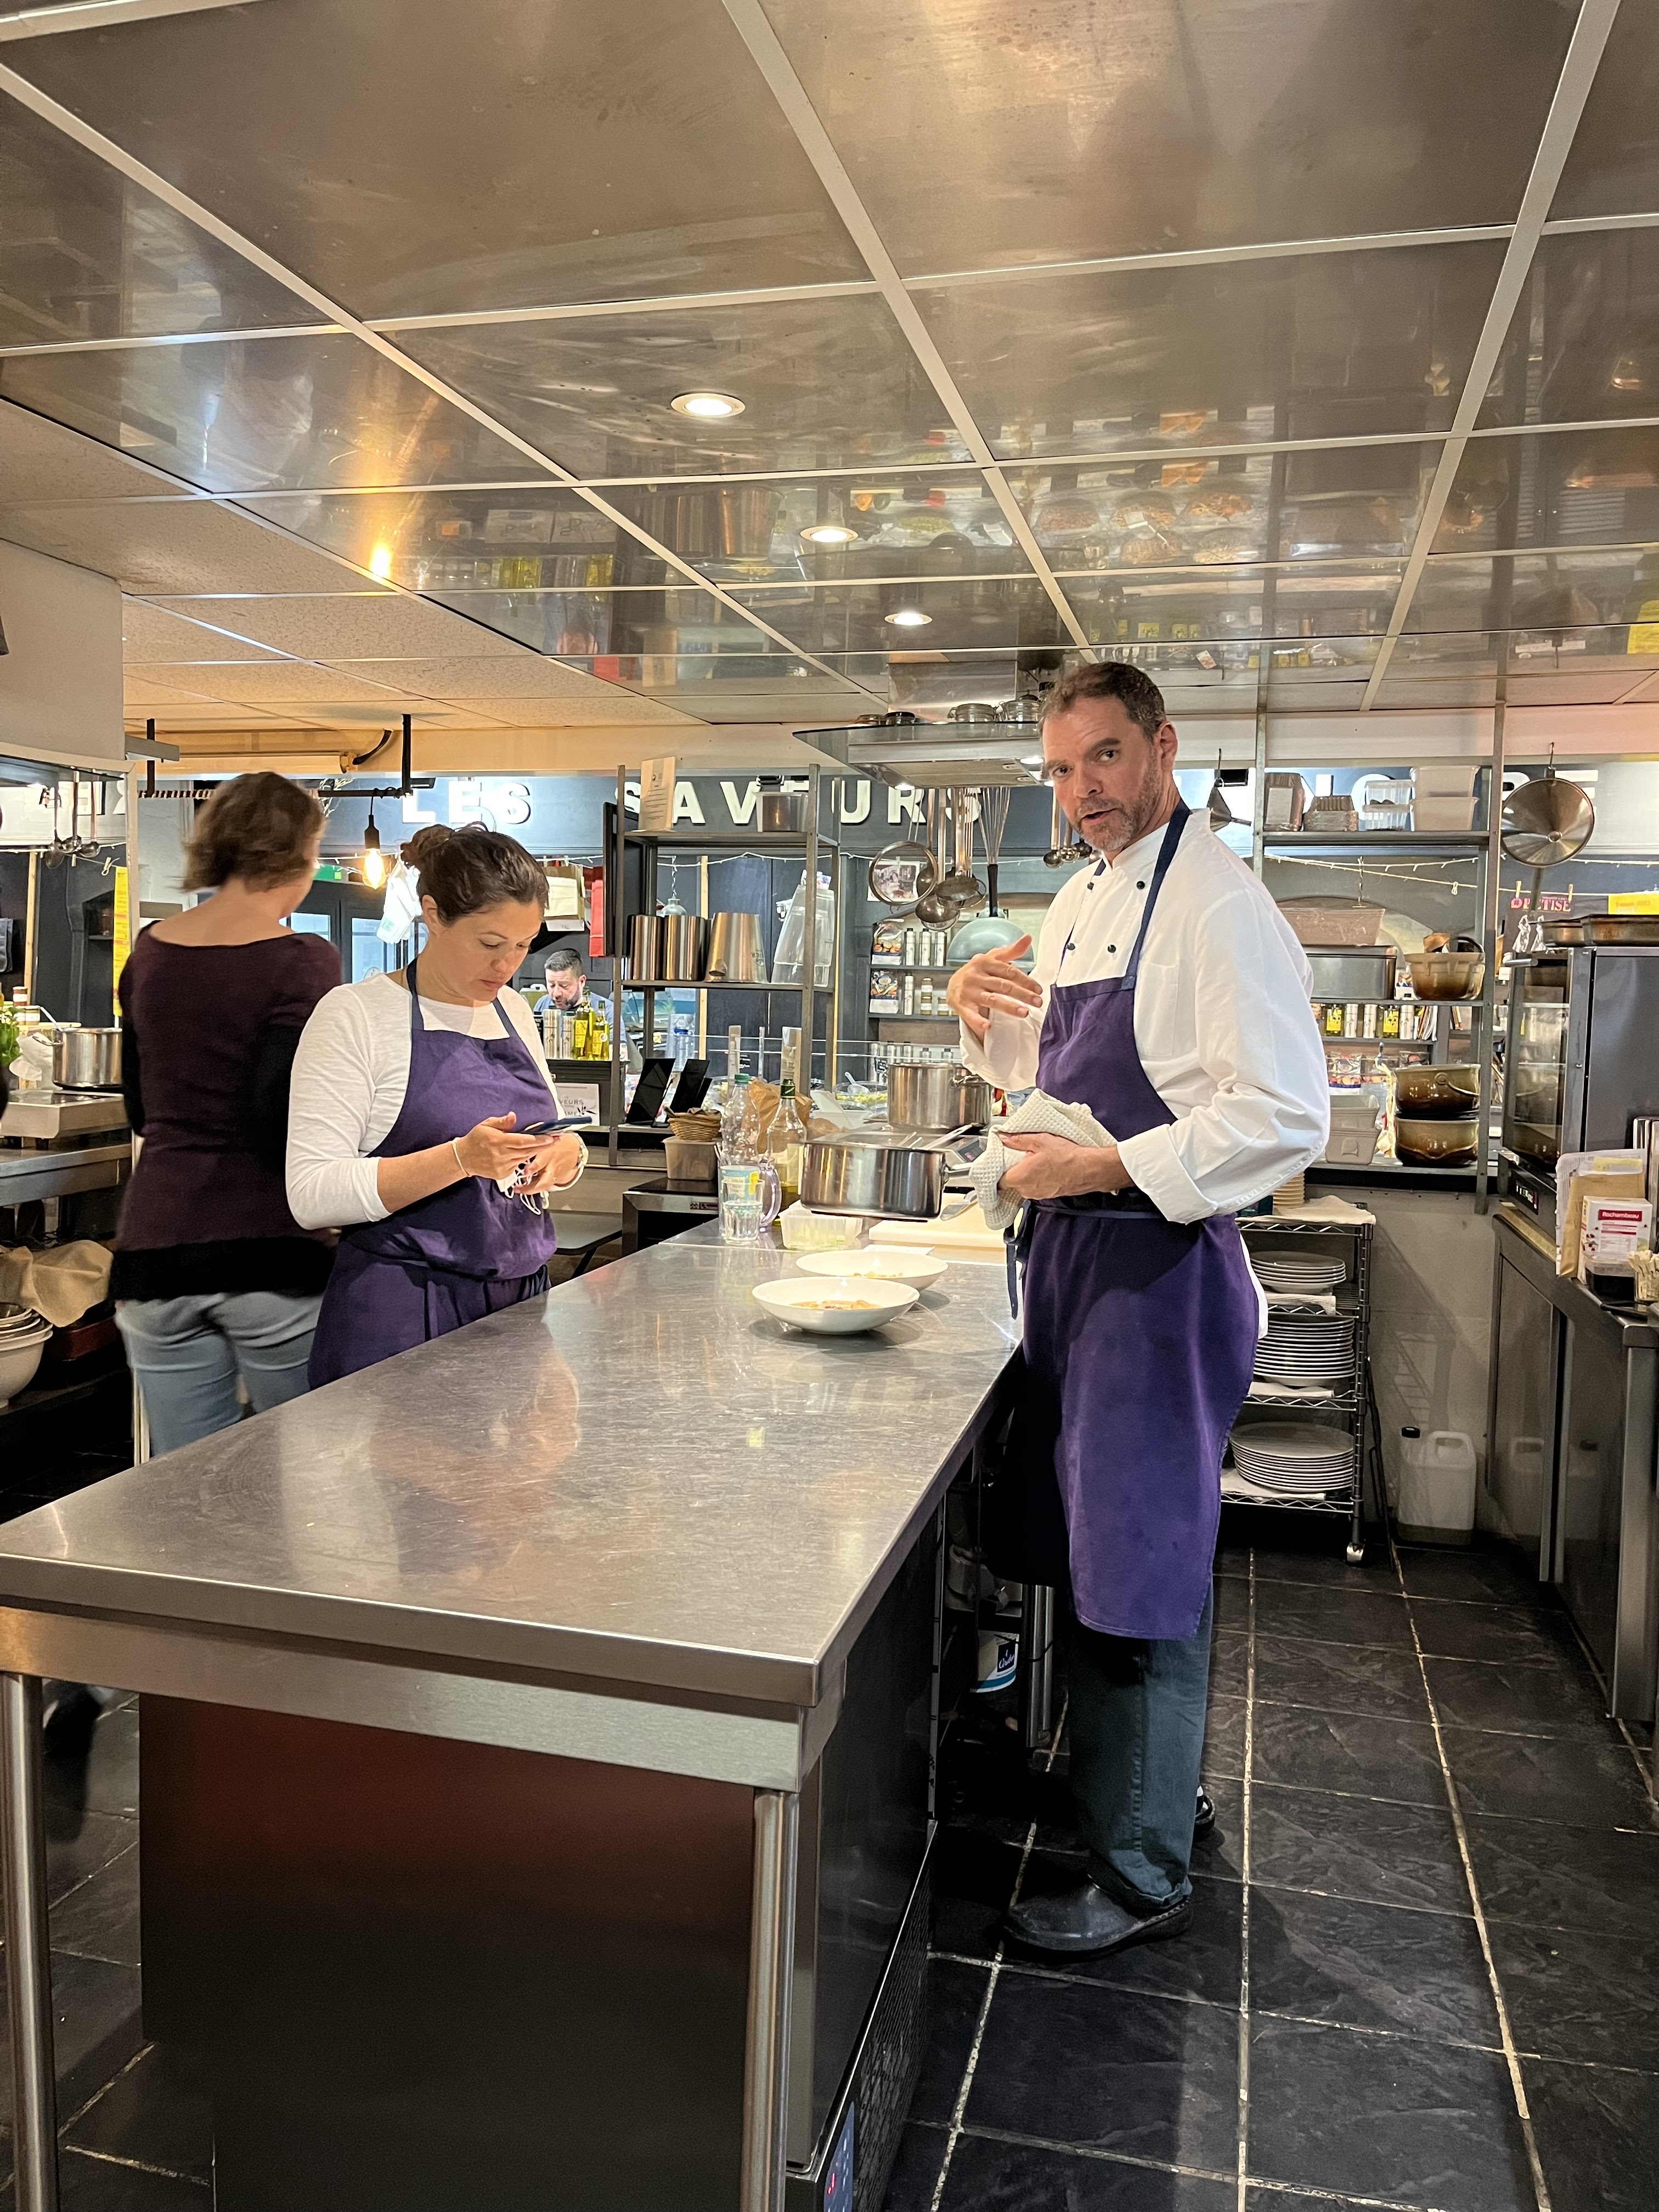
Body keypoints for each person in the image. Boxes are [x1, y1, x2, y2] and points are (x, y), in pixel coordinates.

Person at [947, 661, 1328, 1960]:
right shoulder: (1078, 898)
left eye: (1103, 758)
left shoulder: (1220, 903)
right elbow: (1046, 1081)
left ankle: (1144, 1871)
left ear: (1164, 747)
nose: (1081, 792)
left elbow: (1282, 1116)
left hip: (1156, 1279)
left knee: (1142, 1568)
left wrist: (1102, 1169)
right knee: (1097, 1556)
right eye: (1060, 770)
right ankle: (1146, 1792)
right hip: (1073, 1270)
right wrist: (979, 1023)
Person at [288, 824, 587, 1386]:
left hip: (519, 1306)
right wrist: (459, 1160)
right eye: (490, 944)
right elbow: (311, 1193)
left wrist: (568, 1156)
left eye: (523, 945)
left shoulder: (513, 1011)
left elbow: (546, 1137)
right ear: (434, 915)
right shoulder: (355, 1016)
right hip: (403, 1311)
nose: (507, 965)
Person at [112, 773, 340, 1456]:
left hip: (153, 1249)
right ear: (299, 853)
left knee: (188, 1480)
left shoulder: (150, 952)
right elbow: (277, 1114)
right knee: (312, 1472)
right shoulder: (302, 960)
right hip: (269, 1247)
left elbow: (141, 1109)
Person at [535, 947, 588, 1013]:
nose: (556, 994)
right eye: (552, 985)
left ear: (582, 982)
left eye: (564, 986)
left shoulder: (599, 1010)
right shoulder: (543, 1004)